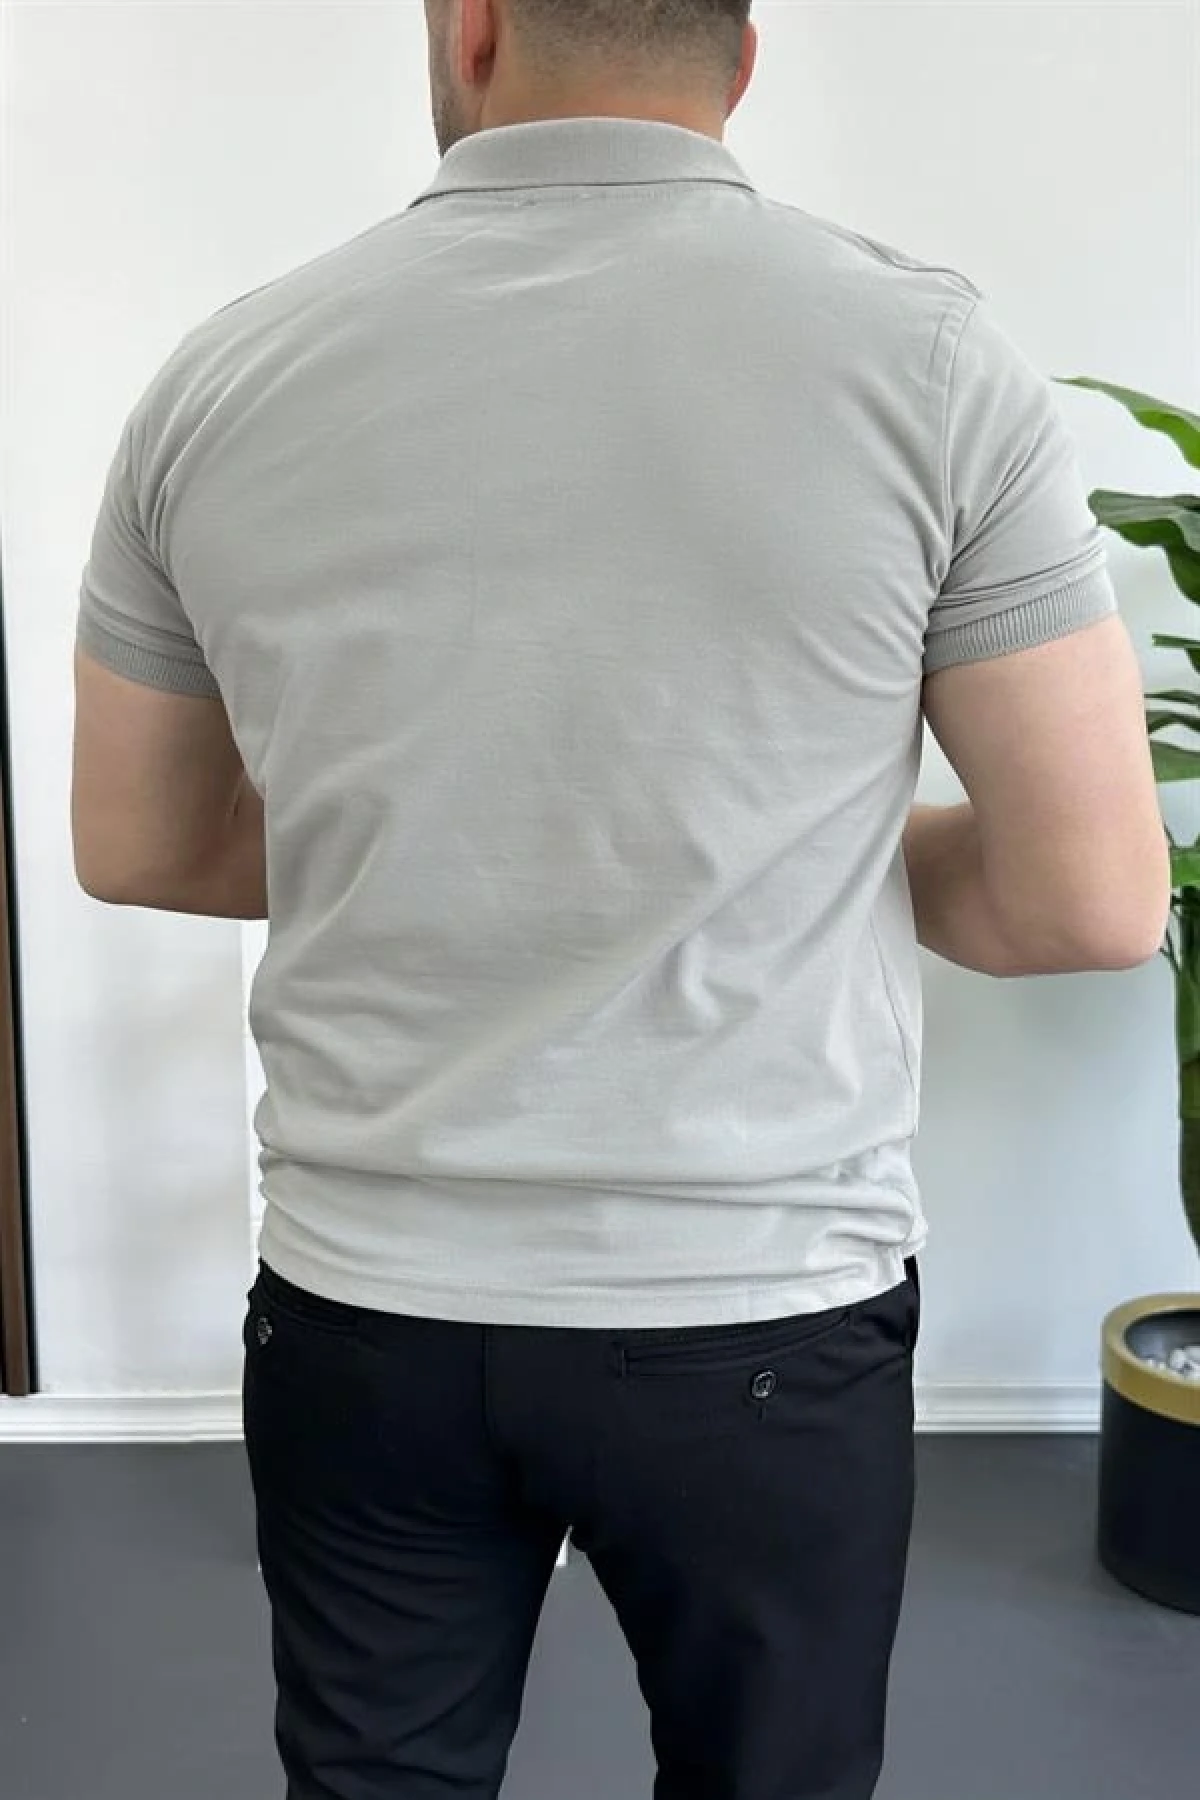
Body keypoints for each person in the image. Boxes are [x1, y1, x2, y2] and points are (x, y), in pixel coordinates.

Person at [70, 2, 1169, 1796]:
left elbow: (142, 843)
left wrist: (459, 840)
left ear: (472, 30)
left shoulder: (227, 373)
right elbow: (1089, 901)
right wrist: (792, 845)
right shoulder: (931, 363)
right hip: (760, 1300)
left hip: (368, 1300)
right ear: (741, 56)